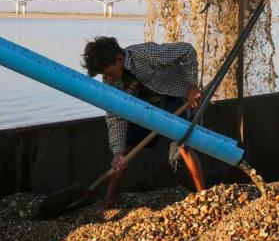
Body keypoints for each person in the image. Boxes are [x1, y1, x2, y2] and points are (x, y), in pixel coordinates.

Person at [82, 37, 206, 209]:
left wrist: (192, 86)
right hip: (144, 108)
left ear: (119, 59)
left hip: (170, 97)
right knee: (124, 153)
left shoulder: (145, 54)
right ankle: (108, 200)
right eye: (105, 75)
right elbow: (115, 115)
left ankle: (203, 195)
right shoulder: (110, 81)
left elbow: (187, 50)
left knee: (183, 145)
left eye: (110, 72)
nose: (108, 77)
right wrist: (117, 152)